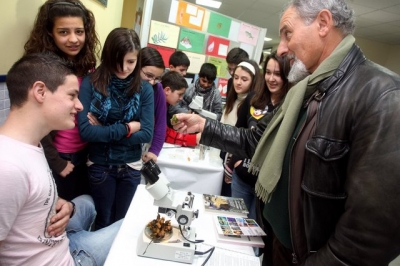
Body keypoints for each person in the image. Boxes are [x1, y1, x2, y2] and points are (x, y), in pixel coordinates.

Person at [171, 0, 400, 264]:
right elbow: (255, 139)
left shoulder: (383, 96)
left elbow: (370, 233)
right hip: (275, 242)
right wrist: (205, 126)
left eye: (287, 33)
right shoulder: (304, 89)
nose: (281, 48)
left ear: (323, 24)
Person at [0, 53, 121, 266]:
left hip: (57, 242)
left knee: (86, 202)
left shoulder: (31, 145)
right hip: (64, 260)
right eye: (72, 95)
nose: (80, 106)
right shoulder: (7, 167)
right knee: (134, 226)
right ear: (40, 92)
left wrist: (60, 205)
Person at [24, 0, 101, 201]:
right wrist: (57, 162)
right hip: (59, 157)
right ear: (50, 33)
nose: (74, 39)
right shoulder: (41, 68)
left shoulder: (86, 66)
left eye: (79, 31)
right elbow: (34, 121)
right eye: (64, 32)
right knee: (59, 218)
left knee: (82, 209)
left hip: (85, 153)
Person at [78, 28, 154, 230]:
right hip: (101, 166)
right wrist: (128, 128)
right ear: (108, 56)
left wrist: (103, 130)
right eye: (118, 60)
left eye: (130, 62)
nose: (123, 67)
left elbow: (146, 133)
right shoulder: (91, 83)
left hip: (131, 167)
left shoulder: (144, 89)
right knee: (102, 222)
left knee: (122, 224)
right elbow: (85, 132)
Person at [230, 51, 290, 220]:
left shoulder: (290, 107)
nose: (271, 78)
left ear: (287, 76)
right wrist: (235, 161)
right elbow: (238, 131)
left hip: (267, 188)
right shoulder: (253, 99)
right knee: (235, 230)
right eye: (268, 73)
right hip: (241, 178)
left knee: (256, 237)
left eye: (277, 74)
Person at [220, 59, 261, 197]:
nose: (238, 82)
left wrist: (234, 163)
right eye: (236, 77)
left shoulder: (253, 104)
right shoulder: (232, 99)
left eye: (244, 79)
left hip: (236, 161)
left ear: (253, 81)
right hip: (223, 153)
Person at [139, 47, 166, 163]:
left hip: (142, 145)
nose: (152, 82)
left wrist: (154, 150)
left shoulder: (158, 89)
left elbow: (161, 122)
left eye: (157, 78)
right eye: (149, 76)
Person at [161, 71, 200, 147]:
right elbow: (163, 134)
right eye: (179, 94)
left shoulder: (166, 103)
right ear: (167, 90)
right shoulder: (156, 103)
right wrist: (194, 139)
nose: (181, 98)